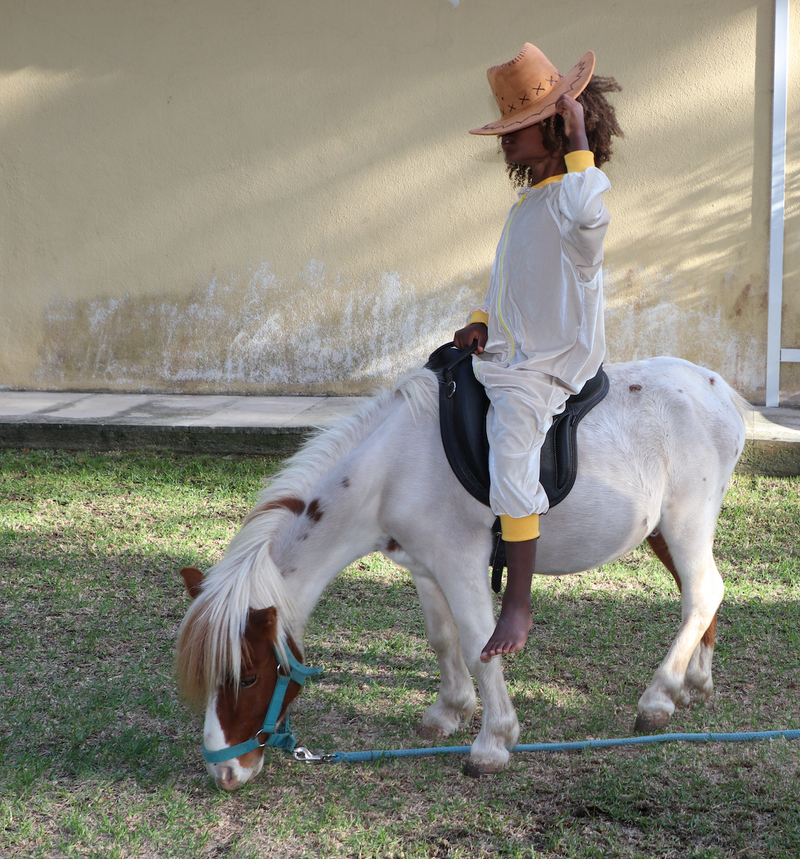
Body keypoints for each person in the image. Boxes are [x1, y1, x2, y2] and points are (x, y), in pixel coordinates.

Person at [454, 43, 623, 661]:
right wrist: (479, 322)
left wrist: (579, 137)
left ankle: (519, 604)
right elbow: (510, 286)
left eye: (519, 128)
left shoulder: (576, 206)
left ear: (554, 126)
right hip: (508, 351)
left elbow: (588, 214)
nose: (506, 140)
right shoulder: (527, 206)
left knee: (511, 446)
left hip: (549, 362)